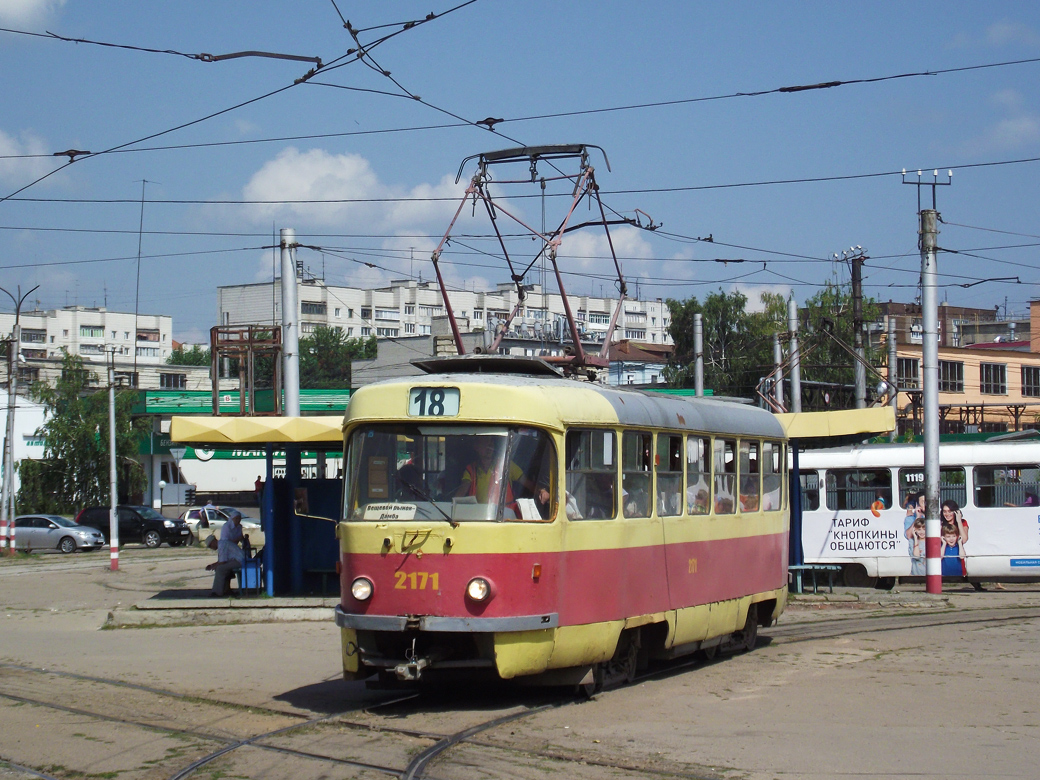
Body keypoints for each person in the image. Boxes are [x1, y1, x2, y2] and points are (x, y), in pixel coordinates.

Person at [456, 437, 549, 508]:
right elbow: (462, 490)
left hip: (504, 518)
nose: (490, 446)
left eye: (491, 443)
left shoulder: (506, 465)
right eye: (485, 443)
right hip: (478, 519)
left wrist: (542, 491)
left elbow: (527, 483)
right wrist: (455, 503)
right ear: (476, 447)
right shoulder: (471, 469)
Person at [205, 512, 249, 597]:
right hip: (237, 558)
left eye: (210, 546)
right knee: (221, 568)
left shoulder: (221, 545)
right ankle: (224, 589)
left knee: (220, 569)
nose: (211, 548)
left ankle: (217, 592)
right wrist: (213, 565)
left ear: (213, 542)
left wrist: (213, 565)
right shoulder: (224, 536)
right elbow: (223, 560)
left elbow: (222, 562)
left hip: (240, 560)